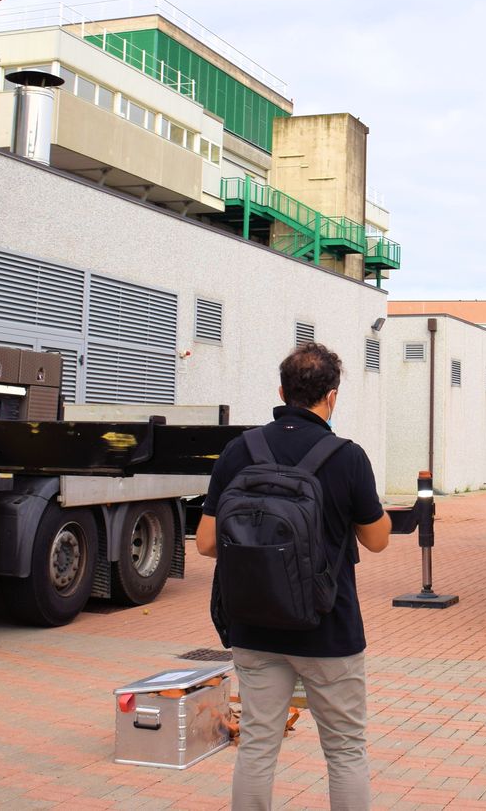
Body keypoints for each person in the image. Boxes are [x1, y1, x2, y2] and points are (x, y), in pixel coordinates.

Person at [196, 343, 391, 811]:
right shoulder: (347, 457)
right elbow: (377, 540)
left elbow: (204, 543)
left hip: (253, 625)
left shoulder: (240, 450)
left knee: (257, 745)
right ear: (332, 396)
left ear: (282, 392)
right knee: (345, 750)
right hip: (328, 627)